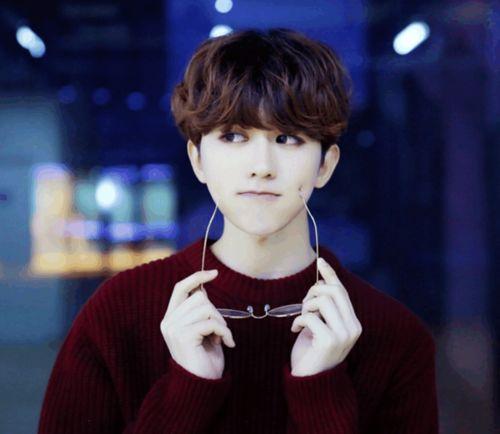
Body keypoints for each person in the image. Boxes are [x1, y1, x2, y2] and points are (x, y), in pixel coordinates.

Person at [37, 28, 439, 433]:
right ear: (197, 159)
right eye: (233, 136)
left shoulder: (396, 337)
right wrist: (186, 392)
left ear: (325, 165)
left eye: (287, 138)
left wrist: (320, 392)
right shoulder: (117, 313)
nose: (261, 166)